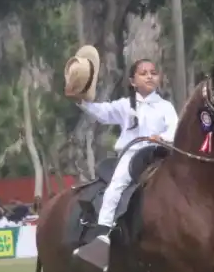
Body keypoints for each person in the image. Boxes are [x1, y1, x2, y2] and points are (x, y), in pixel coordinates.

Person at [69, 56, 178, 254]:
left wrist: (161, 137)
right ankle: (101, 238)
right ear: (132, 81)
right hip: (132, 155)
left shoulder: (166, 107)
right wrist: (82, 102)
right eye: (143, 73)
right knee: (115, 188)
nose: (149, 77)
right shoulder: (124, 105)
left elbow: (174, 130)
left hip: (159, 154)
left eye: (153, 73)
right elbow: (103, 113)